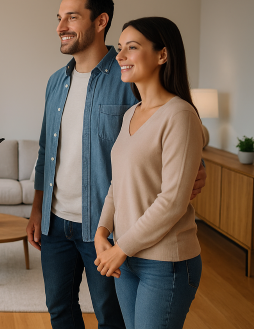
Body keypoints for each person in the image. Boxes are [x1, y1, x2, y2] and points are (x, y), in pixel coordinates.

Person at [25, 0, 207, 329]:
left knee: (112, 317)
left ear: (100, 21)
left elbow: (177, 134)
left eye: (72, 16)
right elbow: (46, 152)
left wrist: (199, 170)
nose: (61, 25)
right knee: (59, 309)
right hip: (55, 222)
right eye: (59, 17)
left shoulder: (129, 79)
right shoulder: (56, 82)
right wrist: (37, 209)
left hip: (105, 228)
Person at [94, 17, 204, 329]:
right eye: (119, 48)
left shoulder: (180, 114)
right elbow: (119, 183)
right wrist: (103, 232)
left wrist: (120, 248)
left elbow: (172, 201)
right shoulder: (132, 112)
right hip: (127, 256)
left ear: (162, 55)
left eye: (132, 48)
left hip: (165, 262)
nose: (120, 56)